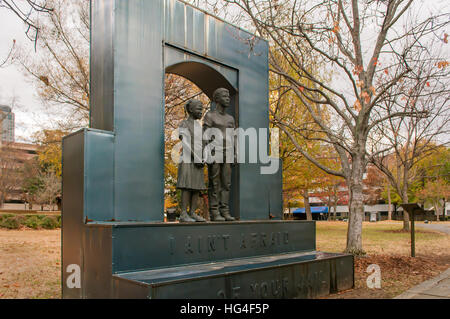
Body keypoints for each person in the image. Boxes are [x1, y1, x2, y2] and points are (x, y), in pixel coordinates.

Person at [203, 88, 236, 222]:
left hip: (227, 153)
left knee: (226, 184)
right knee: (215, 183)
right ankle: (214, 212)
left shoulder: (230, 118)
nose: (228, 98)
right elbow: (205, 136)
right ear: (217, 99)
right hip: (214, 152)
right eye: (224, 96)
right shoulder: (210, 116)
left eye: (229, 96)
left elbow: (234, 137)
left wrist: (235, 154)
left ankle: (225, 211)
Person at [176, 99, 207, 222]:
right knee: (187, 186)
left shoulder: (199, 126)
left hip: (198, 160)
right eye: (199, 109)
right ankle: (183, 213)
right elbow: (185, 142)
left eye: (202, 109)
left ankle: (192, 212)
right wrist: (196, 157)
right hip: (189, 159)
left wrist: (204, 157)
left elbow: (203, 144)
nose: (201, 111)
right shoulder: (184, 124)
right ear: (190, 110)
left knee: (196, 187)